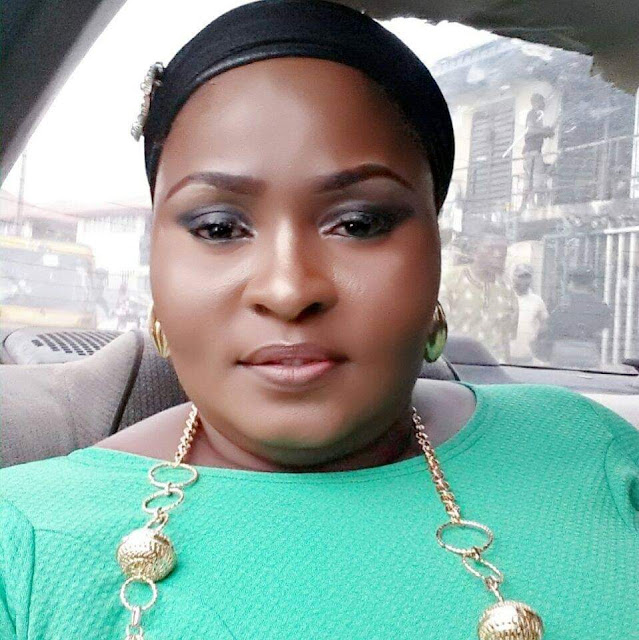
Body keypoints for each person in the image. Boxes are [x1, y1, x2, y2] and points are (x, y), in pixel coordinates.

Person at [1, 3, 637, 639]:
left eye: (358, 224)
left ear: (435, 256)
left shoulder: (590, 451)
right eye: (218, 228)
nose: (288, 290)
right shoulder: (23, 539)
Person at [440, 225, 519, 361]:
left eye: (503, 249)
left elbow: (507, 339)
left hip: (494, 366)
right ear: (474, 251)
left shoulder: (507, 289)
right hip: (458, 364)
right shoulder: (450, 281)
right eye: (491, 248)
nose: (498, 254)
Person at [545, 266, 613, 369]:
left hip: (562, 351)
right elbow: (605, 327)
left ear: (571, 283)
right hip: (589, 352)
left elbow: (548, 327)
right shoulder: (601, 306)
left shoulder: (559, 304)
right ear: (592, 284)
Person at [520, 93, 554, 210]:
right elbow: (530, 130)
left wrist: (545, 132)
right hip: (533, 152)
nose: (543, 104)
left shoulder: (536, 116)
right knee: (537, 178)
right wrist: (544, 131)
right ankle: (533, 205)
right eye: (541, 102)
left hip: (529, 153)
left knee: (528, 180)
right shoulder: (533, 114)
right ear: (535, 103)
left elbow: (535, 131)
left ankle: (525, 205)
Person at [510, 263, 548, 365]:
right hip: (504, 357)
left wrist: (537, 345)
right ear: (513, 277)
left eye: (527, 277)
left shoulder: (537, 301)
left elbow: (544, 326)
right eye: (520, 276)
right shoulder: (505, 297)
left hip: (527, 358)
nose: (524, 280)